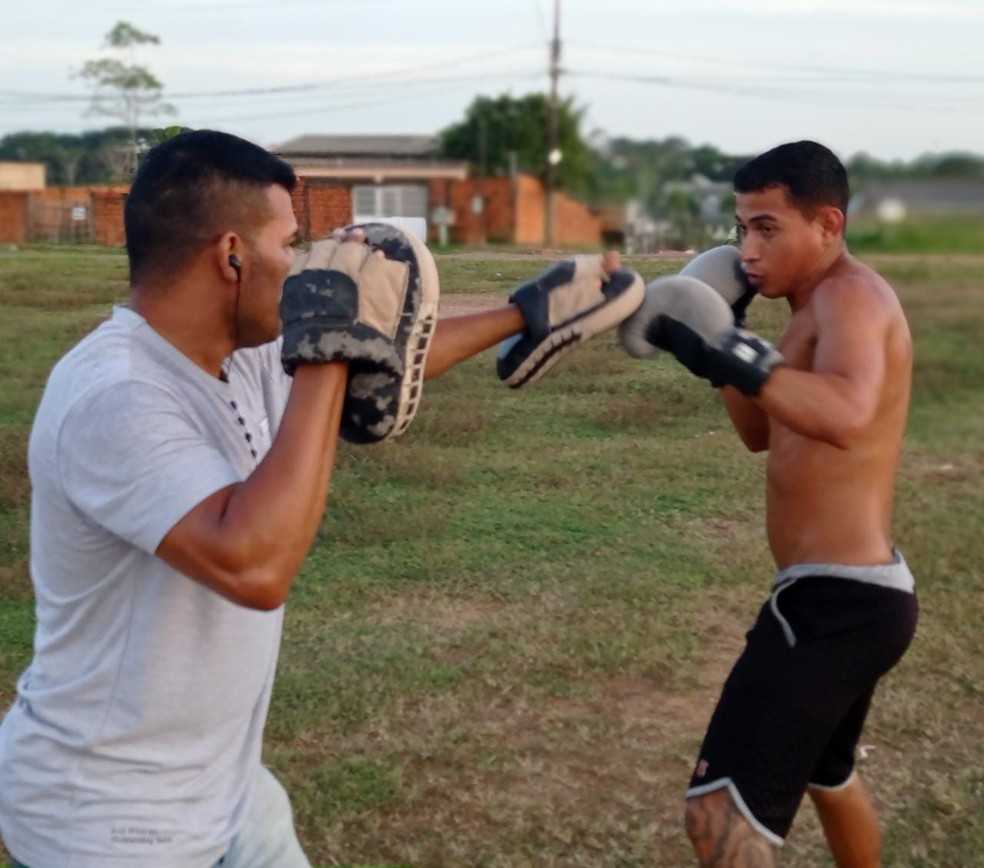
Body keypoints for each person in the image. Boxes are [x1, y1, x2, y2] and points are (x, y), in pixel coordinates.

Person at [0, 129, 642, 868]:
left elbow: (382, 365)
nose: (302, 265)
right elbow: (255, 565)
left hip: (225, 790)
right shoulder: (117, 394)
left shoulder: (236, 354)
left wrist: (526, 313)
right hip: (108, 819)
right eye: (290, 245)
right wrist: (329, 345)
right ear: (232, 255)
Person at [619, 140, 918, 867]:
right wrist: (725, 337)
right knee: (829, 776)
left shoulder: (851, 297)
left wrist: (735, 354)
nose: (747, 249)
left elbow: (848, 413)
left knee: (717, 817)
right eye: (741, 228)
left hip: (834, 604)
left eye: (767, 228)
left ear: (828, 224)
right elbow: (760, 432)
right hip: (856, 596)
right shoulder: (808, 308)